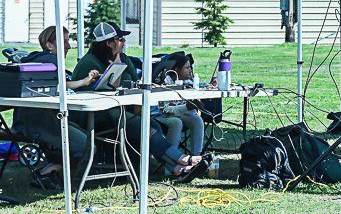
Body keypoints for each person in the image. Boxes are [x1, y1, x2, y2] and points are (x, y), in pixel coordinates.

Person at [71, 21, 206, 180]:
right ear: (109, 43)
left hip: (123, 110)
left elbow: (136, 84)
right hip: (98, 115)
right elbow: (83, 95)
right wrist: (116, 66)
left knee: (152, 124)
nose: (123, 42)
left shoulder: (124, 58)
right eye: (120, 39)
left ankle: (176, 167)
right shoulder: (88, 63)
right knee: (142, 125)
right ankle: (182, 160)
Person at [12, 26, 99, 189]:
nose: (68, 46)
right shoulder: (51, 60)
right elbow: (60, 85)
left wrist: (84, 81)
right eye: (64, 41)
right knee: (88, 145)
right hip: (38, 124)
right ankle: (51, 173)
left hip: (26, 122)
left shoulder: (40, 60)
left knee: (81, 137)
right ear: (49, 44)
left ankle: (51, 171)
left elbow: (59, 85)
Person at [153, 51, 205, 157]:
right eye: (187, 68)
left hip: (177, 114)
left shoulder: (188, 83)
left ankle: (196, 157)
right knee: (176, 122)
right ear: (176, 70)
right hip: (159, 115)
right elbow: (166, 110)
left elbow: (199, 88)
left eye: (190, 67)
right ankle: (173, 161)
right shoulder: (164, 84)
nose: (190, 70)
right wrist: (188, 107)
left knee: (196, 119)